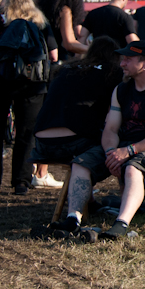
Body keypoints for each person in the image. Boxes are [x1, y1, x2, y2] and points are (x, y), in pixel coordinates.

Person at [60, 41, 145, 240]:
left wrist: (128, 152)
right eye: (122, 58)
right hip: (123, 145)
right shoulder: (121, 90)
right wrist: (111, 153)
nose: (122, 63)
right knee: (80, 164)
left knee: (133, 168)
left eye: (128, 59)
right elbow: (110, 129)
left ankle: (121, 223)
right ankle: (73, 219)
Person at [33, 37, 124, 229]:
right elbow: (113, 114)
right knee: (114, 146)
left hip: (41, 143)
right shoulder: (111, 72)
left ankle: (89, 202)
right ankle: (127, 202)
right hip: (74, 140)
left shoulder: (65, 68)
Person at [0, 0, 59, 194]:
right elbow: (54, 55)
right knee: (26, 133)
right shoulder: (39, 20)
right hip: (32, 83)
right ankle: (21, 181)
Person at [37, 0, 89, 64]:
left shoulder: (41, 7)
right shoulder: (64, 10)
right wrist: (94, 50)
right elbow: (69, 43)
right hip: (58, 59)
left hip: (40, 58)